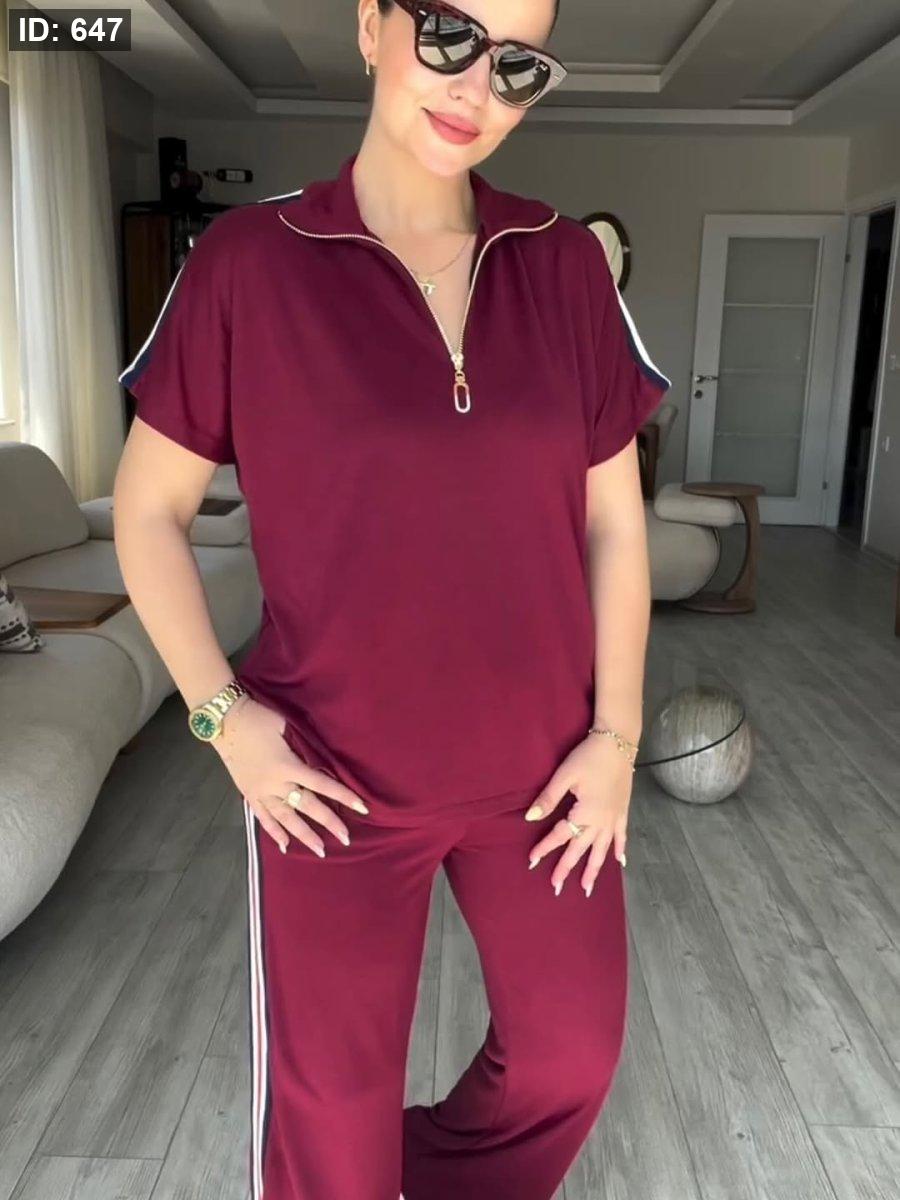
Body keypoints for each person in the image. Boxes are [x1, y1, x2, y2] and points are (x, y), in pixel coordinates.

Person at [112, 0, 672, 1197]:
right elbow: (147, 513)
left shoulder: (564, 263)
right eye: (450, 34)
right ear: (371, 25)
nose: (476, 86)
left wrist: (618, 737)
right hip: (331, 782)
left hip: (544, 773)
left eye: (516, 65)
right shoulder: (250, 263)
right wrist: (223, 719)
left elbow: (617, 523)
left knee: (571, 1057)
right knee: (334, 1115)